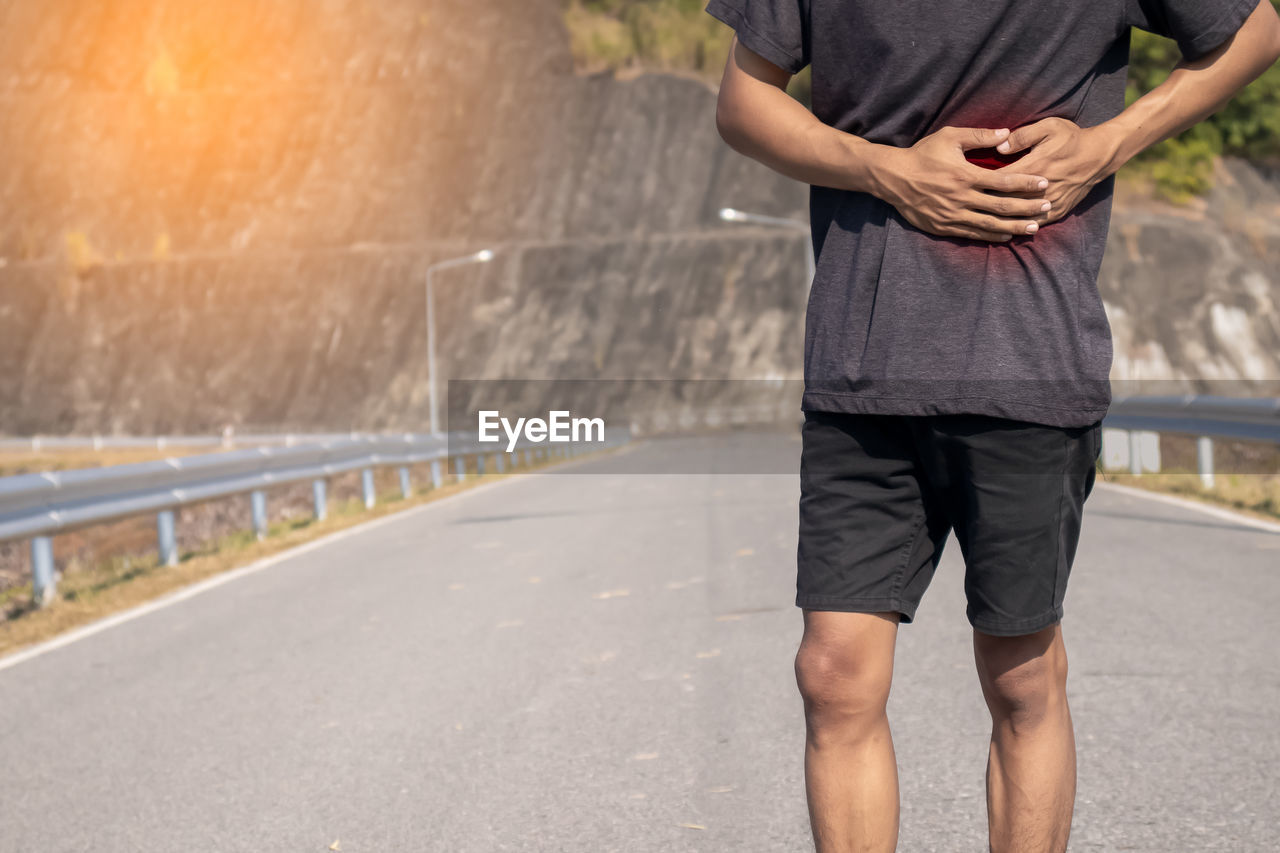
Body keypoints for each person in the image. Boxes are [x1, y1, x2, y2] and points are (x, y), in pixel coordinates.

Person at [704, 0, 1280, 850]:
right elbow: (744, 102)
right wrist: (885, 170)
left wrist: (1109, 141)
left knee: (1019, 677)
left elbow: (1255, 29)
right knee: (831, 674)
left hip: (1027, 356)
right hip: (859, 367)